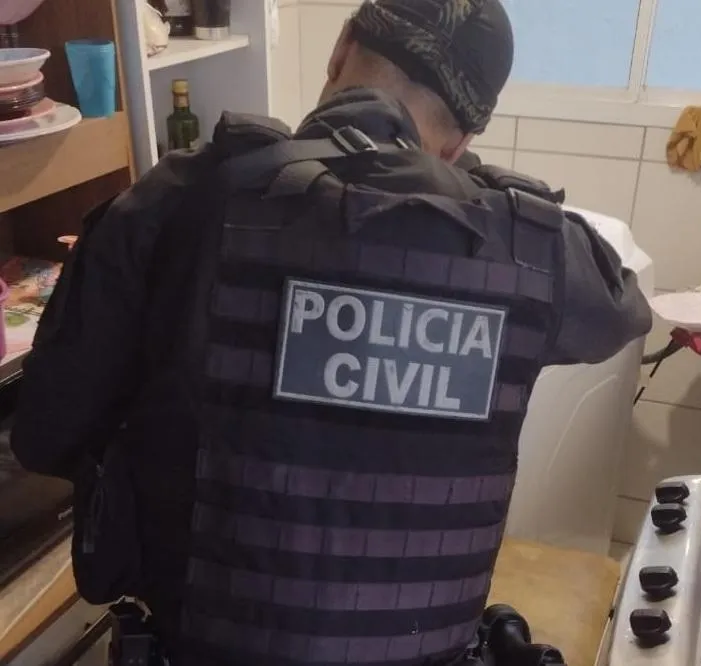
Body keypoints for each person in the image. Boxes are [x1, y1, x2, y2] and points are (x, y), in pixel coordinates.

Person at [11, 0, 652, 664]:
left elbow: (45, 435)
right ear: (461, 140)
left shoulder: (176, 200)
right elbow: (624, 304)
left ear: (342, 46)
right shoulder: (529, 246)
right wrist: (469, 190)